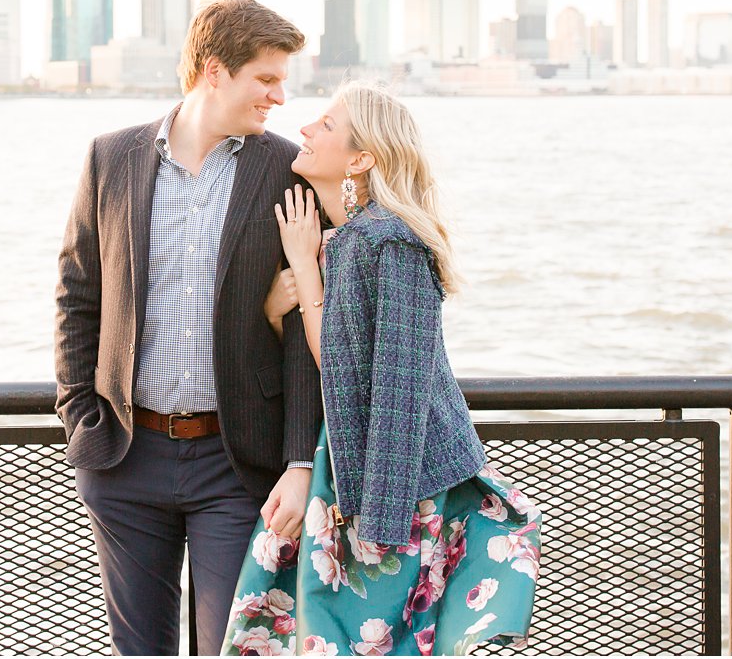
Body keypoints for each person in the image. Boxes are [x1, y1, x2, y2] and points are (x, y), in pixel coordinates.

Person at [222, 82, 541, 657]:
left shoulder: (392, 242)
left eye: (324, 124)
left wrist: (380, 522)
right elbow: (341, 364)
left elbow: (401, 387)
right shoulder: (352, 238)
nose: (306, 129)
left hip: (394, 488)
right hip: (347, 465)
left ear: (361, 157)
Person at [54, 0, 324, 656]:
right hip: (126, 458)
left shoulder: (288, 172)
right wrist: (80, 415)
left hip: (236, 465)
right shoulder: (109, 159)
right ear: (214, 71)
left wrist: (297, 459)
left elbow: (301, 337)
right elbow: (77, 296)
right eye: (266, 78)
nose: (279, 96)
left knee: (230, 648)